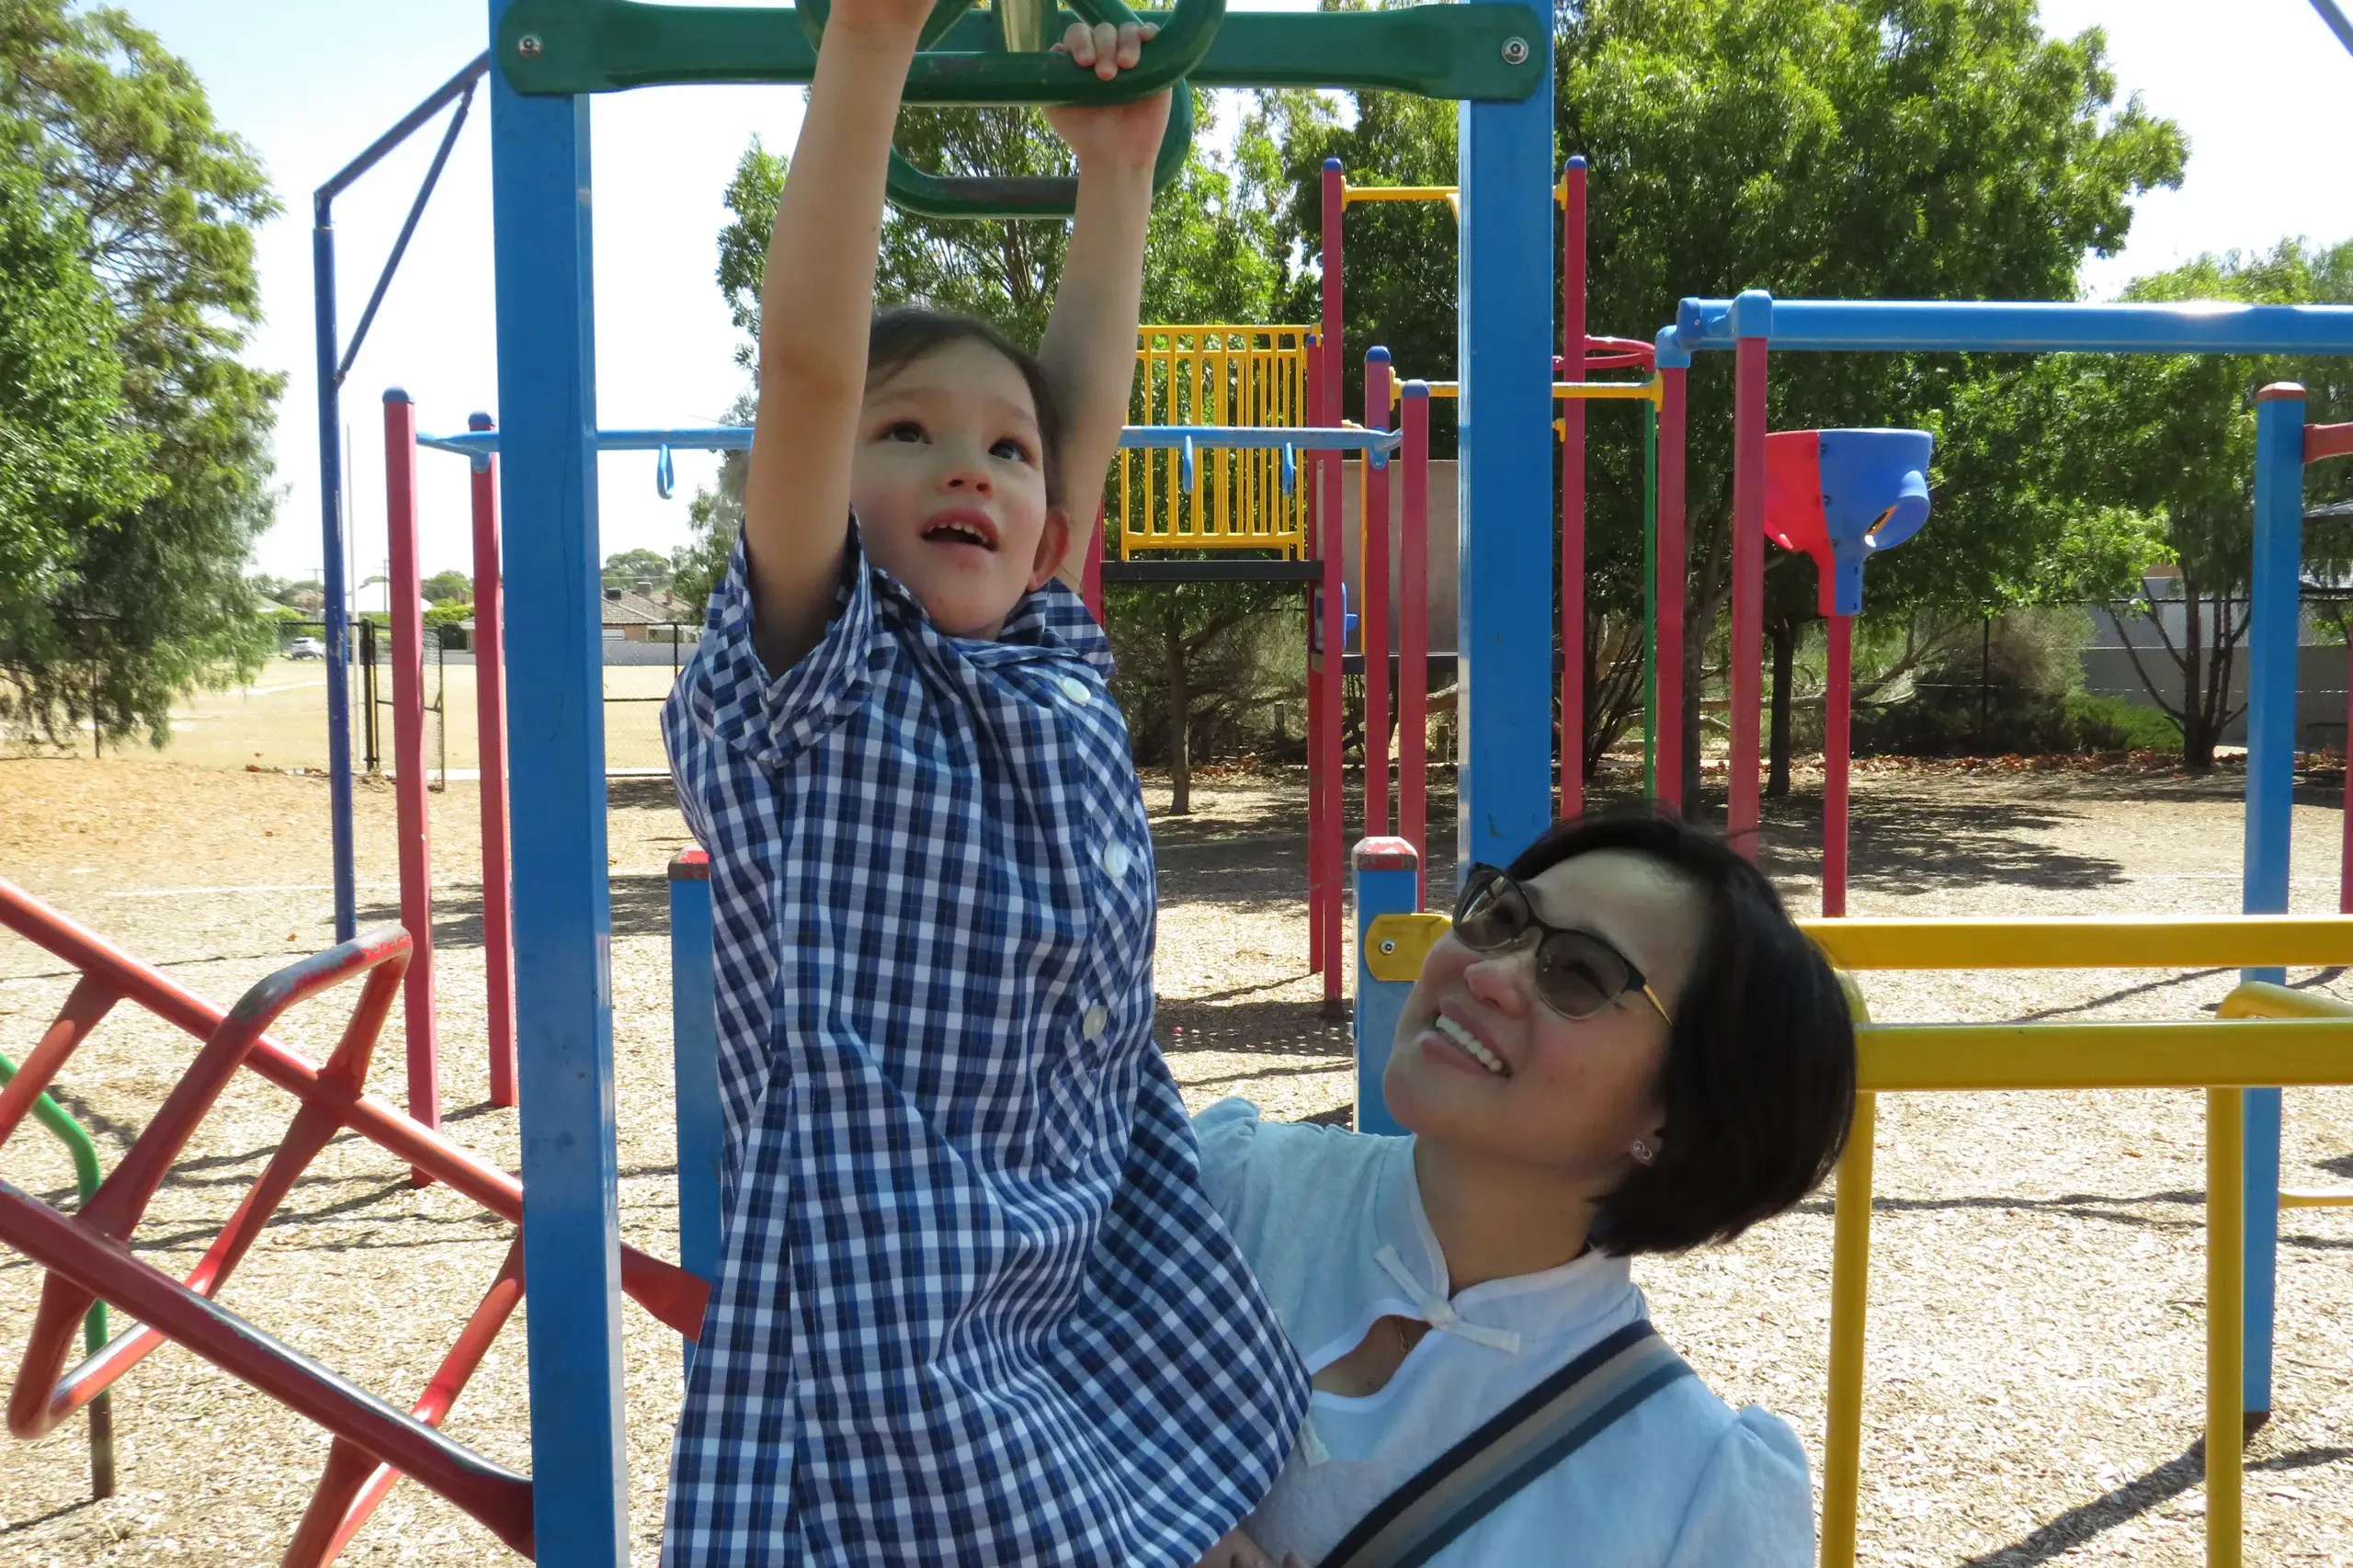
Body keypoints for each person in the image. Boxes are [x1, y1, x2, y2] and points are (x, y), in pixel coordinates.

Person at [657, 7, 1307, 1563]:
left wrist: (1119, 178)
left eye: (1005, 455)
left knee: (1198, 1487)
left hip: (1087, 1226)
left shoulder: (1048, 648)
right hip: (897, 1284)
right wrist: (869, 46)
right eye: (909, 434)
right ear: (823, 479)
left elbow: (1075, 431)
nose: (977, 469)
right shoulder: (820, 677)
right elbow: (809, 367)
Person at [1194, 811, 1858, 1567]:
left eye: (1578, 973)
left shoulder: (1692, 1496)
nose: (1486, 973)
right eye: (1500, 918)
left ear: (1681, 1113)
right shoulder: (1219, 1191)